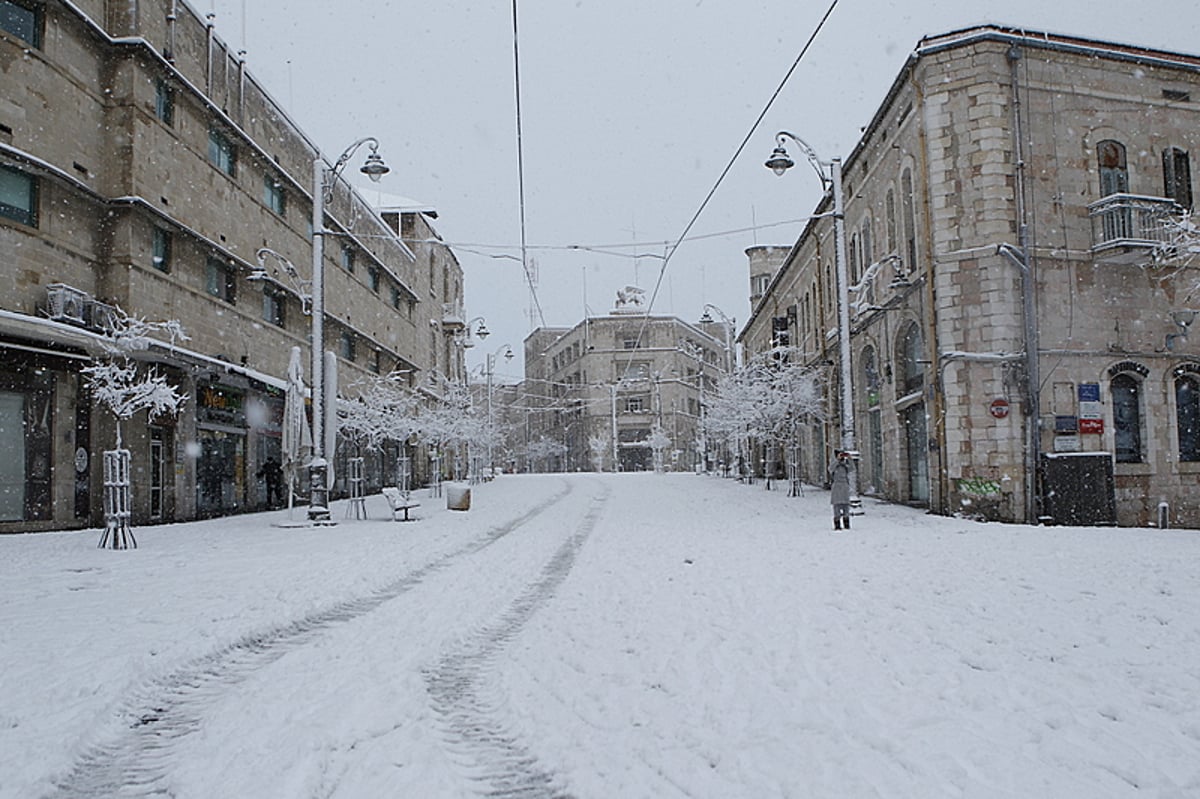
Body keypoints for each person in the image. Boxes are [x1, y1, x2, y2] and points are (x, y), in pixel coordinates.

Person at [828, 450, 852, 530]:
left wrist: (849, 459)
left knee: (846, 506)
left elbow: (851, 469)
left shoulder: (845, 465)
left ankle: (846, 522)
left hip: (844, 485)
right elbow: (830, 469)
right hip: (837, 486)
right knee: (837, 506)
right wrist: (837, 460)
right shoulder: (834, 464)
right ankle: (837, 523)